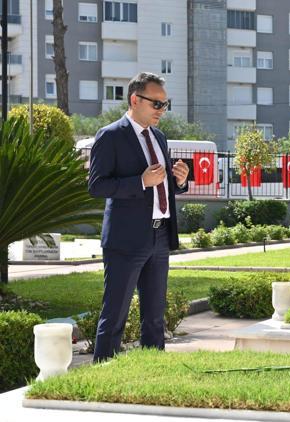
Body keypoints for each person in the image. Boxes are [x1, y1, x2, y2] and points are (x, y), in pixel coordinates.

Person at [88, 72, 189, 362]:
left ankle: (151, 376)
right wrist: (140, 181)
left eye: (165, 105)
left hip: (159, 237)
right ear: (135, 99)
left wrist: (179, 182)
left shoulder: (159, 137)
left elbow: (163, 186)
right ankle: (103, 376)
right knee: (115, 315)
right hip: (125, 239)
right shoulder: (111, 136)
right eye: (156, 104)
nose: (161, 111)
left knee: (156, 319)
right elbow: (97, 186)